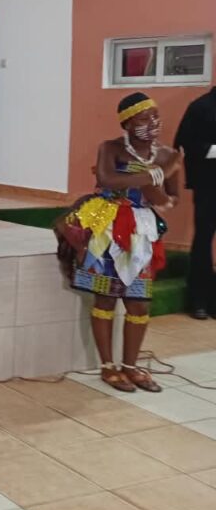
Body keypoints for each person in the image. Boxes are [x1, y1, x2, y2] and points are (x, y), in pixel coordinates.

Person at [55, 92, 181, 393]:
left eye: (155, 115)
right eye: (144, 118)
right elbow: (107, 180)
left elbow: (173, 197)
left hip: (141, 234)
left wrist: (160, 189)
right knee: (105, 299)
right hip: (108, 230)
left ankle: (131, 366)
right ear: (127, 123)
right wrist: (156, 175)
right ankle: (108, 366)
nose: (153, 122)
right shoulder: (111, 148)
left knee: (139, 302)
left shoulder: (166, 155)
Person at [174, 85, 216, 319]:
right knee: (203, 241)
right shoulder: (201, 107)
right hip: (209, 185)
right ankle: (199, 300)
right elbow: (185, 143)